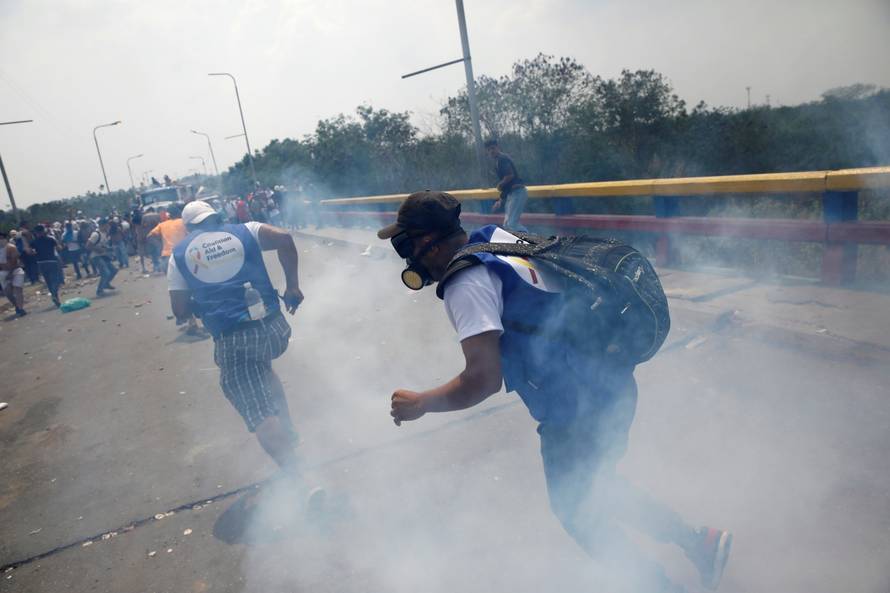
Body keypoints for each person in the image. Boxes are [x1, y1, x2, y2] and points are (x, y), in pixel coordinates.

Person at [380, 191, 732, 593]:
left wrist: (423, 403)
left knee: (576, 510)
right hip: (610, 383)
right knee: (597, 487)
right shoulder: (495, 238)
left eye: (406, 245)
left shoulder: (466, 283)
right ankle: (698, 542)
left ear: (430, 241)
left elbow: (482, 379)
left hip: (574, 407)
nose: (408, 258)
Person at [164, 201, 320, 504]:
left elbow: (180, 310)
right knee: (261, 369)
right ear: (216, 217)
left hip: (235, 338)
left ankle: (303, 479)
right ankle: (290, 437)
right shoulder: (245, 230)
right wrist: (293, 287)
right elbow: (285, 238)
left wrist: (203, 302)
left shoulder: (180, 255)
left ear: (189, 228)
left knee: (257, 408)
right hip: (275, 329)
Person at [484, 139, 529, 232]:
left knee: (512, 224)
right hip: (511, 194)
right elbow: (507, 185)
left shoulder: (502, 159)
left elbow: (510, 175)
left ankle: (534, 241)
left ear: (498, 147)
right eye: (489, 150)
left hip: (517, 192)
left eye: (493, 148)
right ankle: (521, 243)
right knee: (507, 225)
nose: (491, 151)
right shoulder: (497, 161)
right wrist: (500, 200)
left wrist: (500, 184)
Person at [147, 204, 186, 273]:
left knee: (172, 281)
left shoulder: (162, 225)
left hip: (167, 256)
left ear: (169, 215)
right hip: (183, 255)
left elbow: (149, 236)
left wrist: (159, 246)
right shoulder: (183, 222)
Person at [31, 225, 64, 307]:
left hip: (41, 263)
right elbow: (59, 248)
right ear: (44, 231)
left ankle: (54, 296)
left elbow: (30, 251)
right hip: (52, 261)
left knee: (48, 281)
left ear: (36, 233)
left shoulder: (34, 242)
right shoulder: (51, 239)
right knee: (55, 280)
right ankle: (54, 295)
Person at [86, 218, 118, 296]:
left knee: (114, 270)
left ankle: (106, 283)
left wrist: (109, 249)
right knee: (105, 273)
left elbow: (103, 245)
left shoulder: (105, 233)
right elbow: (88, 246)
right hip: (96, 256)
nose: (108, 227)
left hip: (103, 255)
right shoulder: (96, 234)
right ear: (102, 225)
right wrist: (98, 249)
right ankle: (99, 291)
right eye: (107, 225)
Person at [0, 231, 27, 316]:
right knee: (8, 292)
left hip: (15, 271)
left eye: (1, 238)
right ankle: (17, 306)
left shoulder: (11, 247)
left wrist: (10, 273)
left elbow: (14, 261)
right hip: (4, 272)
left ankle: (21, 308)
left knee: (17, 289)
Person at [139, 207, 162, 273]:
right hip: (157, 236)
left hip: (149, 236)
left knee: (153, 253)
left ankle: (156, 267)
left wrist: (143, 237)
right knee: (159, 251)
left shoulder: (144, 217)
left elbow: (143, 228)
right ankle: (161, 266)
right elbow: (161, 224)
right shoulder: (157, 215)